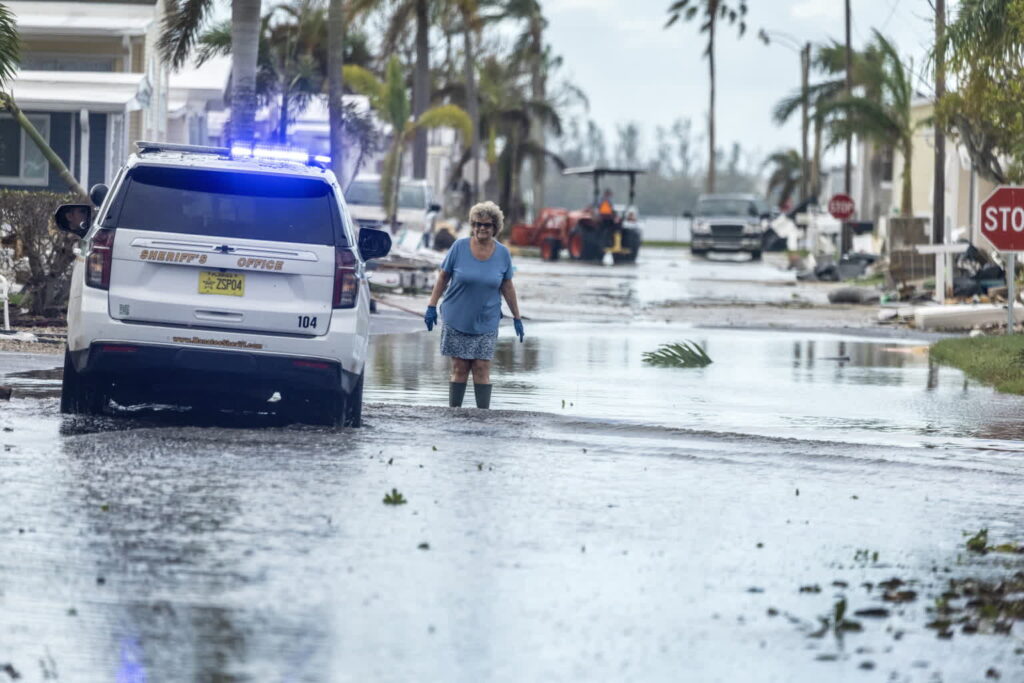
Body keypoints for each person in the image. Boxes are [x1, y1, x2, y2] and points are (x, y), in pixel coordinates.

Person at [423, 201, 524, 409]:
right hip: (457, 316)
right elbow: (443, 277)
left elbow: (507, 286)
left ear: (495, 227)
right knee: (460, 367)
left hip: (487, 319)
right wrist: (431, 305)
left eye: (486, 225)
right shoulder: (459, 247)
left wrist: (517, 317)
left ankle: (483, 417)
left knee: (481, 367)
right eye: (477, 224)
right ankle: (455, 414)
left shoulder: (503, 254)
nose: (481, 228)